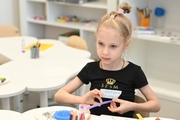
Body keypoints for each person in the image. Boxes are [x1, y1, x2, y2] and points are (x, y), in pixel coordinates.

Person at [54, 2, 161, 118]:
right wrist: (81, 99)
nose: (105, 52)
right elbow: (59, 95)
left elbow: (156, 105)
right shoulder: (91, 68)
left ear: (126, 44)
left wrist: (132, 106)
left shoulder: (134, 72)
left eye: (113, 46)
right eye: (101, 44)